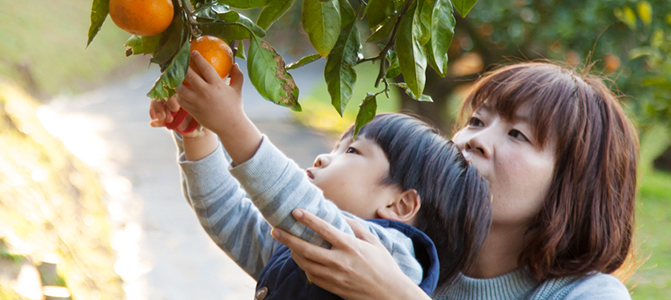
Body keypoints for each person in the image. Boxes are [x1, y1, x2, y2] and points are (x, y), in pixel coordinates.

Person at [270, 62, 639, 299]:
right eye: (477, 121)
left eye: (517, 135)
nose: (473, 140)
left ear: (573, 185)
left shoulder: (589, 295)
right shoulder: (401, 253)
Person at [148, 51, 492, 299]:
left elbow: (295, 203)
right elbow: (229, 216)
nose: (324, 157)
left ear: (400, 205)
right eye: (338, 146)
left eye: (352, 151)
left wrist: (232, 125)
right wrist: (199, 136)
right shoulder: (304, 251)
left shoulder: (395, 258)